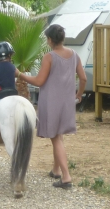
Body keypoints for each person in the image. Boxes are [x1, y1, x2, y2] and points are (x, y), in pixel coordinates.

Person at [16, 24, 86, 189]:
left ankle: (66, 176)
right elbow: (83, 79)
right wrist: (79, 94)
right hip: (67, 102)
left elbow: (39, 81)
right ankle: (55, 170)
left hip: (51, 101)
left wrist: (20, 75)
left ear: (49, 40)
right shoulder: (74, 55)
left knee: (55, 138)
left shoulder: (49, 57)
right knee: (59, 136)